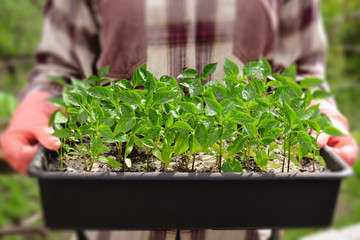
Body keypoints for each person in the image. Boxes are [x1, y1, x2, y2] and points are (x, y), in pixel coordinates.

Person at [1, 0, 358, 239]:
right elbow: (60, 70)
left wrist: (322, 115)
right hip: (114, 223)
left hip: (244, 223)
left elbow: (302, 73)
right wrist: (38, 105)